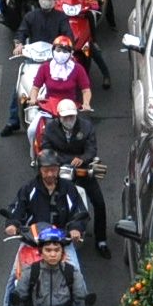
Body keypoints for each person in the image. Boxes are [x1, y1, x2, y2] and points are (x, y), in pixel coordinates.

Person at [40, 100, 106, 253]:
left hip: (81, 170)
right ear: (59, 117)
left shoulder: (86, 126)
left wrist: (83, 159)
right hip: (60, 170)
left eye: (71, 116)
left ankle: (101, 240)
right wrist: (67, 161)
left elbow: (91, 149)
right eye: (65, 117)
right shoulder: (50, 128)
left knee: (99, 203)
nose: (69, 120)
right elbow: (46, 148)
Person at [5, 151, 91, 243]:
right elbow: (17, 208)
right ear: (39, 170)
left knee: (72, 258)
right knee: (19, 258)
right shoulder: (28, 189)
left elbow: (79, 211)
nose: (50, 174)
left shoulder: (68, 187)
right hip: (33, 239)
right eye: (46, 170)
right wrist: (12, 224)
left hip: (61, 241)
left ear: (58, 169)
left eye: (53, 170)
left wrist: (76, 228)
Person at [32, 35, 94, 117]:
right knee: (32, 129)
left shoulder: (78, 68)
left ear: (70, 53)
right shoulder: (45, 67)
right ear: (53, 50)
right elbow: (35, 88)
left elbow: (86, 90)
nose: (61, 53)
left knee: (85, 127)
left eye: (65, 51)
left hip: (70, 107)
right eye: (58, 50)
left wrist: (86, 103)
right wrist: (33, 99)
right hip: (49, 107)